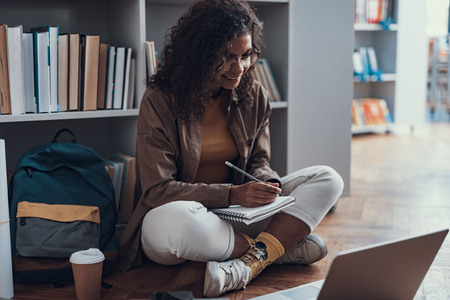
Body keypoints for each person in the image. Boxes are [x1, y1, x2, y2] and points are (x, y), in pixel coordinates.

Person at [116, 0, 344, 297]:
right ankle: (276, 249)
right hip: (179, 219)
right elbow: (158, 189)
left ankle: (245, 265)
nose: (240, 67)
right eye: (227, 57)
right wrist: (231, 194)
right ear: (199, 55)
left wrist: (267, 182)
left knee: (328, 178)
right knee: (181, 222)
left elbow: (259, 160)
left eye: (246, 55)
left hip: (236, 216)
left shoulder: (254, 95)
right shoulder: (160, 100)